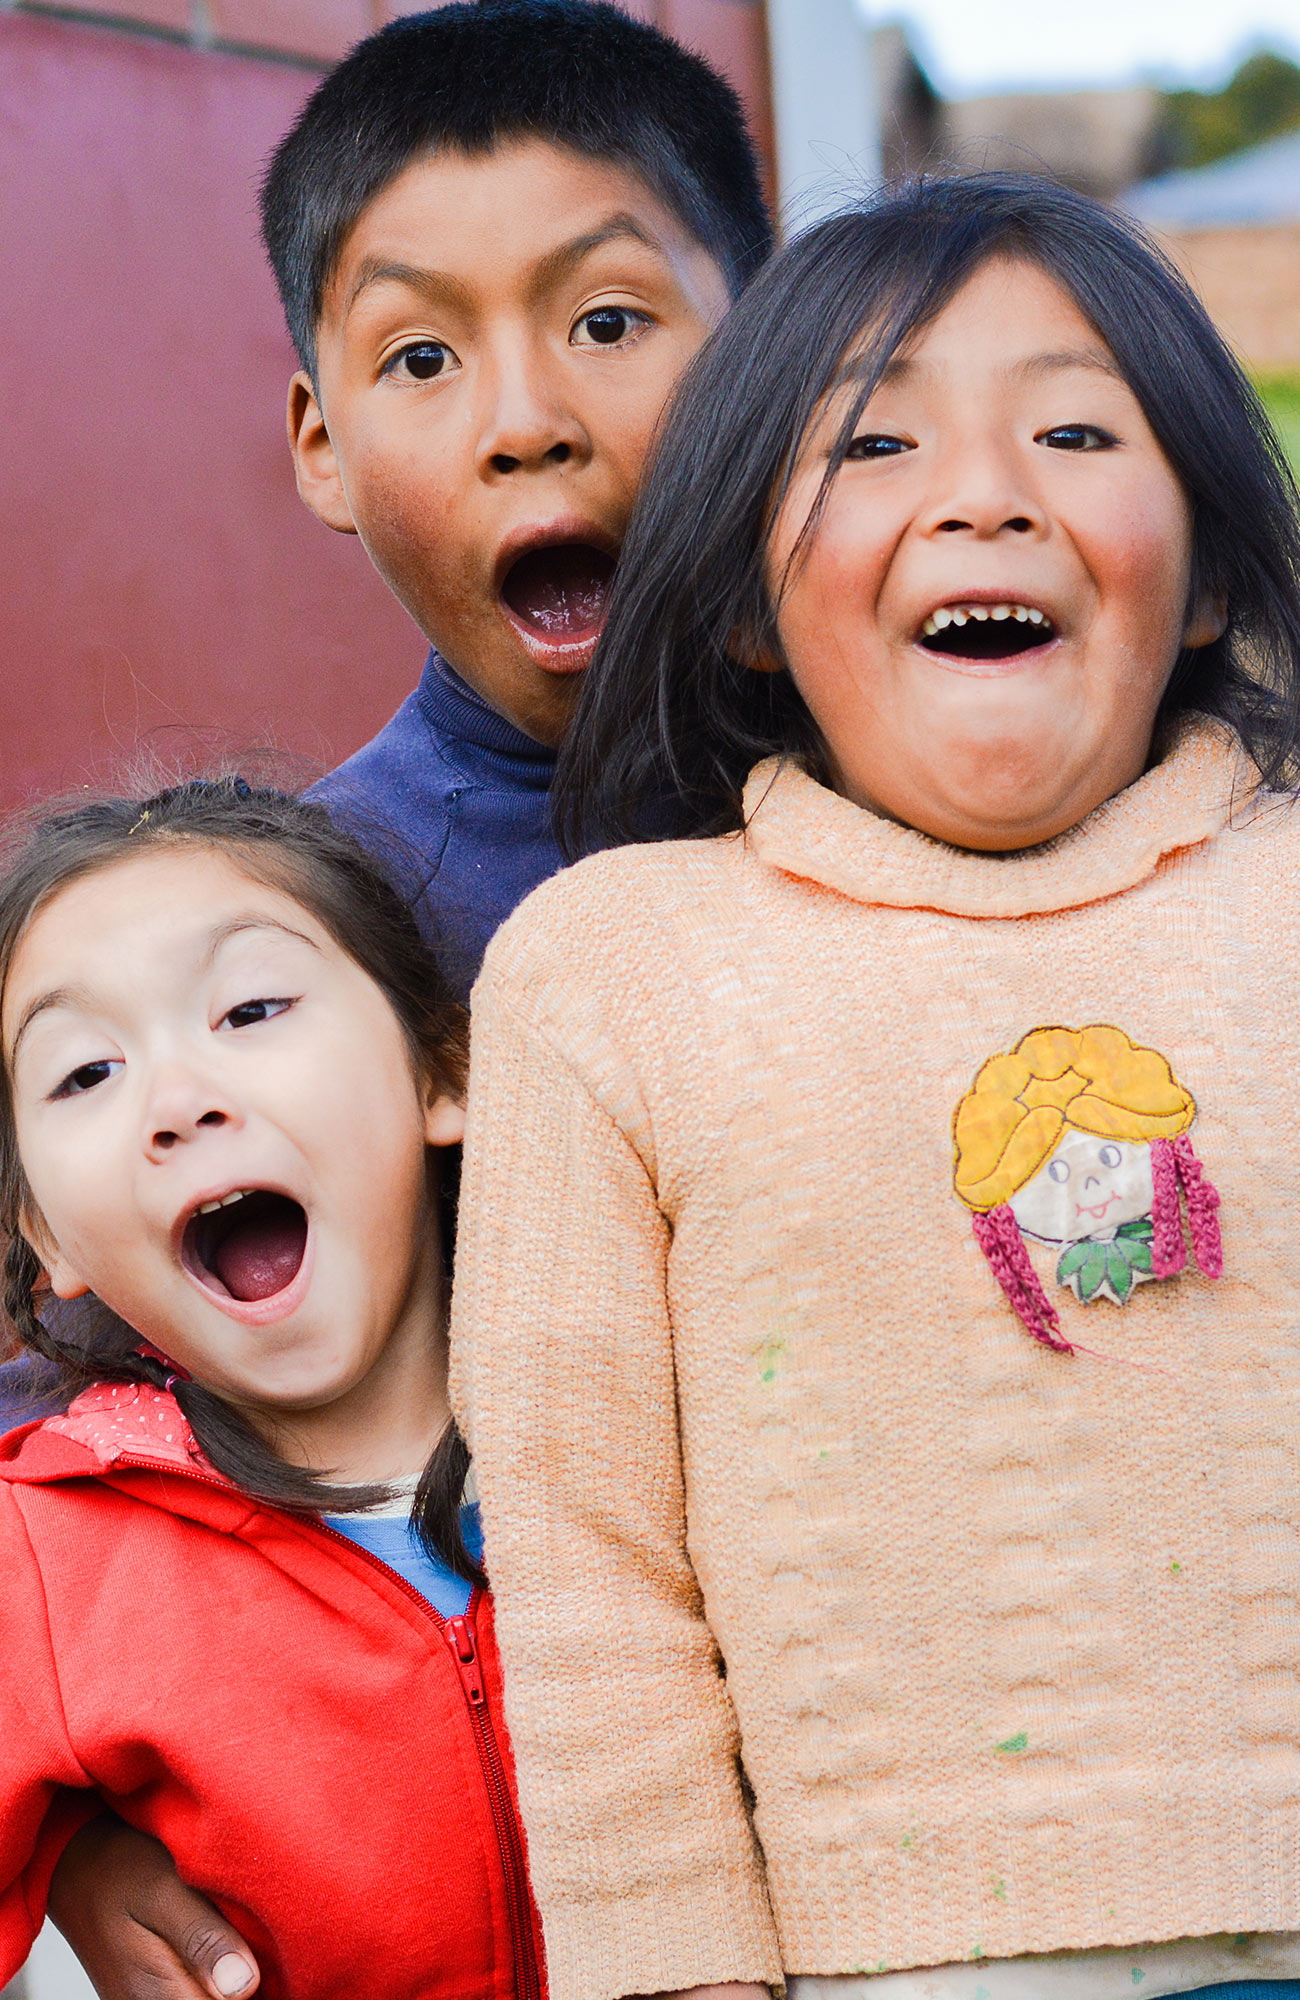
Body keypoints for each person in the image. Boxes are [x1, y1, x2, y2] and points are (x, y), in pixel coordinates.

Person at [450, 174, 1300, 2000]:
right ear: (750, 609)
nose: (987, 491)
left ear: (1218, 569)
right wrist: (669, 1961)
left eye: (1076, 428)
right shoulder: (610, 974)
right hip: (887, 1965)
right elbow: (590, 1556)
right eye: (877, 442)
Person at [26, 7, 772, 1983]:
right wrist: (92, 1811)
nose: (524, 415)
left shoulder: (945, 799)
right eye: (421, 357)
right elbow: (86, 1398)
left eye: (610, 321)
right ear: (319, 445)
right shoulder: (313, 936)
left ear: (772, 346)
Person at [0, 777, 545, 2000]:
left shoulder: (654, 1438)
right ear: (50, 1235)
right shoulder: (38, 1557)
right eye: (84, 1072)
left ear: (441, 1070)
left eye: (250, 1006)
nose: (178, 1101)